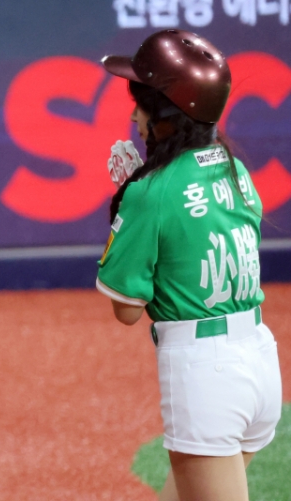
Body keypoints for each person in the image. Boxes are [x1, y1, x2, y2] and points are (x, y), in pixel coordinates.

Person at [98, 30, 282, 501]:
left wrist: (128, 204)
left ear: (166, 114)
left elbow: (127, 308)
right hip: (260, 360)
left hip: (207, 377)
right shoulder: (234, 169)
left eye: (141, 104)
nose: (134, 115)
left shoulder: (150, 193)